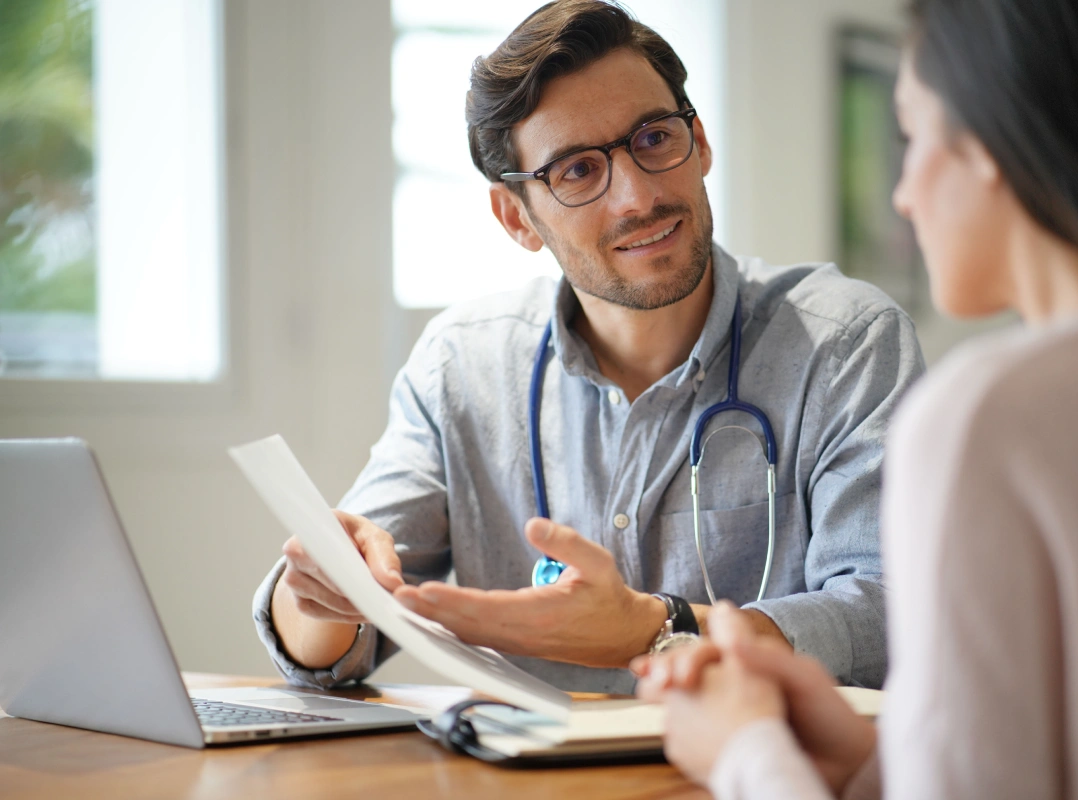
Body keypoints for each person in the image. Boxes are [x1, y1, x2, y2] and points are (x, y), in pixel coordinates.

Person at [252, 0, 924, 695]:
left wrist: (656, 629)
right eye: (576, 171)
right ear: (517, 217)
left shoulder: (844, 345)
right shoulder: (463, 368)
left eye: (655, 139)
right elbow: (332, 635)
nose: (637, 195)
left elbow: (888, 614)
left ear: (701, 141)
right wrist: (323, 593)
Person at [635, 0, 1078, 796]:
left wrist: (742, 750)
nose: (903, 193)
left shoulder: (990, 415)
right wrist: (872, 762)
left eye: (914, 134)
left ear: (994, 142)